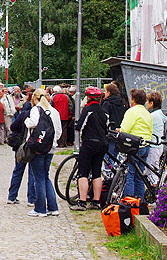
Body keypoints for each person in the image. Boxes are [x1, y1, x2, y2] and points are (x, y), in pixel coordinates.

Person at [24, 89, 62, 217]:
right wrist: (53, 141)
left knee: (38, 177)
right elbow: (59, 131)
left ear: (34, 98)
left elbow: (33, 123)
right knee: (46, 177)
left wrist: (26, 121)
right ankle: (53, 207)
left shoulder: (36, 110)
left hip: (38, 148)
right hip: (50, 148)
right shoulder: (54, 111)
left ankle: (40, 208)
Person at [70, 87, 109, 211]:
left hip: (89, 143)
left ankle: (82, 202)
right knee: (97, 172)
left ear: (88, 98)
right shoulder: (104, 111)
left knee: (83, 172)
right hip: (102, 144)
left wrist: (77, 126)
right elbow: (106, 129)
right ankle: (96, 201)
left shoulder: (87, 110)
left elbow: (79, 127)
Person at [119, 88, 153, 199]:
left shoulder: (132, 111)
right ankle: (140, 202)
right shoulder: (147, 113)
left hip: (134, 146)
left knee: (130, 174)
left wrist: (119, 130)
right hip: (146, 146)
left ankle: (129, 202)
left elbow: (125, 129)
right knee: (139, 176)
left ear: (133, 100)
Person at [6, 89, 36, 207]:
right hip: (33, 146)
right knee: (32, 173)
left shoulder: (24, 114)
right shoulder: (41, 114)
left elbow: (13, 126)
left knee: (18, 170)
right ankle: (31, 199)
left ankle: (12, 196)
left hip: (21, 146)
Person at [145, 91, 166, 186]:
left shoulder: (153, 116)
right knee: (151, 170)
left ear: (151, 103)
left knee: (151, 171)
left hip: (154, 146)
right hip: (157, 145)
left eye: (147, 101)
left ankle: (155, 193)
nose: (146, 104)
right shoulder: (158, 114)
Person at [102, 83, 127, 157]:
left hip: (111, 130)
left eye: (105, 91)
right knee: (117, 152)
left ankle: (108, 168)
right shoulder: (122, 102)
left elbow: (105, 117)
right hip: (119, 129)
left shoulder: (107, 103)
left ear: (109, 92)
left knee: (109, 152)